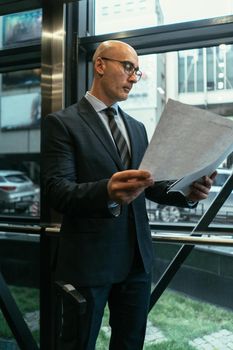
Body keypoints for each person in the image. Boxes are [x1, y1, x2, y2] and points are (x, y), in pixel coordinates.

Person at [42, 40, 216, 350]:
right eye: (128, 68)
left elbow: (150, 184)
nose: (134, 77)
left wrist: (188, 192)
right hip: (89, 263)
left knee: (130, 344)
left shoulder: (136, 128)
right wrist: (107, 191)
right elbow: (58, 192)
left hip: (137, 262)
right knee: (76, 344)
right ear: (100, 65)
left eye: (137, 71)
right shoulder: (63, 124)